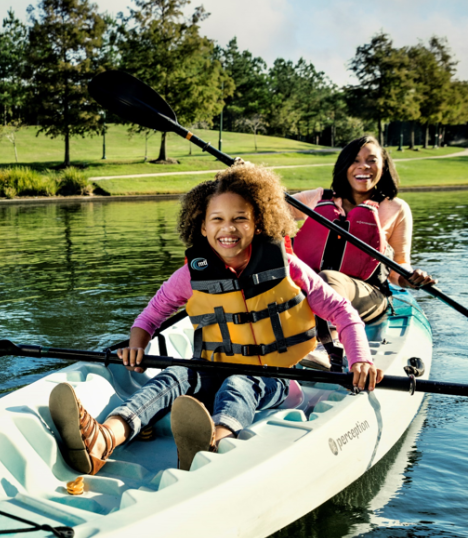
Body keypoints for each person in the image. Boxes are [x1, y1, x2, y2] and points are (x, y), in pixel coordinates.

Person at [49, 163, 383, 476]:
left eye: (240, 218)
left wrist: (360, 361)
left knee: (240, 383)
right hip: (214, 367)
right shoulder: (190, 275)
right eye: (217, 219)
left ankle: (213, 445)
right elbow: (152, 314)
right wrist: (137, 344)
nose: (228, 229)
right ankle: (106, 437)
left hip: (276, 377)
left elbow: (342, 312)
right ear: (202, 226)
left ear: (259, 222)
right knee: (175, 376)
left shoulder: (289, 268)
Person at [291, 136, 436, 325]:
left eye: (371, 160)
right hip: (310, 286)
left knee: (328, 280)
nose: (363, 166)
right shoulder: (317, 198)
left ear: (383, 166)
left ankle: (329, 344)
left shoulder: (396, 208)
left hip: (368, 295)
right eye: (355, 160)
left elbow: (399, 265)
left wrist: (410, 278)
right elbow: (265, 209)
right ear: (345, 166)